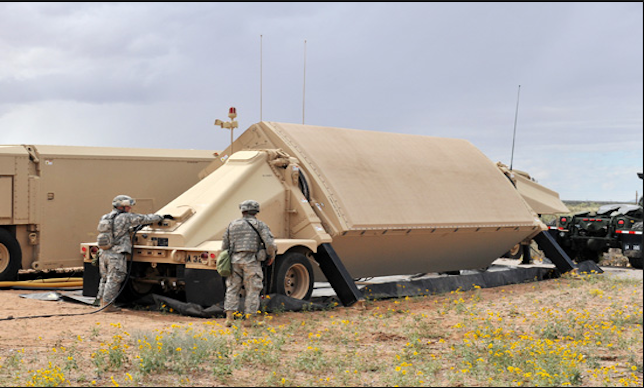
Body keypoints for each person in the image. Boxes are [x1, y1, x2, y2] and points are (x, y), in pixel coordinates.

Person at [96, 195, 172, 312]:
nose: (130, 208)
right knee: (115, 278)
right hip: (116, 254)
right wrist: (160, 217)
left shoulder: (105, 217)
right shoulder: (125, 217)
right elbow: (144, 218)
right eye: (128, 206)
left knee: (105, 278)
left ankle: (101, 302)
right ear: (123, 207)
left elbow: (117, 232)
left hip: (104, 253)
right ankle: (107, 305)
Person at [222, 200, 277, 327]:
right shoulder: (259, 225)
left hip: (234, 261)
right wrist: (271, 255)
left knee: (232, 288)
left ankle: (229, 318)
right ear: (255, 211)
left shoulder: (232, 225)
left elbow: (225, 245)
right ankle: (250, 320)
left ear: (243, 210)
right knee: (253, 289)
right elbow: (269, 244)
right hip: (251, 261)